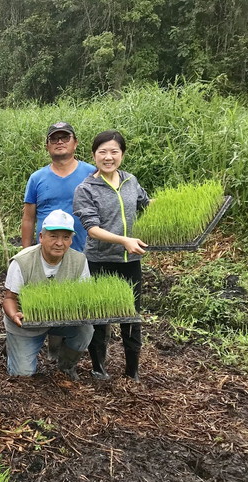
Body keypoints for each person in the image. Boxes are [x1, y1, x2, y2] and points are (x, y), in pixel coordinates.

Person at [73, 130, 150, 382]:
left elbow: (146, 205)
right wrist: (123, 241)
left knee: (131, 316)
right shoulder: (86, 188)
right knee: (100, 316)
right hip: (100, 261)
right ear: (93, 155)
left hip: (131, 261)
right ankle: (99, 367)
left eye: (114, 152)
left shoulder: (131, 181)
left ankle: (132, 370)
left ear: (122, 154)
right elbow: (92, 229)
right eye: (102, 152)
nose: (109, 157)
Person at [3, 210, 94, 379]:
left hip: (62, 319)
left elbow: (84, 296)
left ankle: (66, 366)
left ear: (71, 240)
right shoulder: (22, 261)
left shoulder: (79, 260)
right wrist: (14, 314)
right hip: (27, 323)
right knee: (22, 374)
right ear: (41, 237)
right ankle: (13, 348)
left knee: (86, 329)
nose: (60, 243)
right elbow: (9, 298)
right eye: (53, 236)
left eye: (66, 237)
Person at [22, 122, 95, 253]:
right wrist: (26, 253)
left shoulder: (92, 174)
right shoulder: (36, 178)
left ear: (75, 143)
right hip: (47, 255)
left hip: (86, 253)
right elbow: (28, 219)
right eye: (54, 139)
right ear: (47, 146)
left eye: (65, 138)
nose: (60, 142)